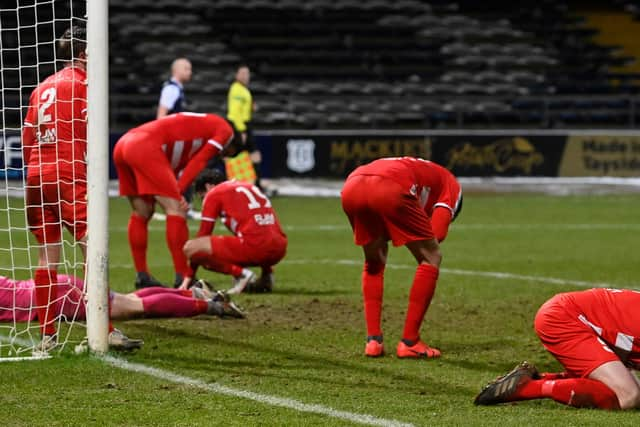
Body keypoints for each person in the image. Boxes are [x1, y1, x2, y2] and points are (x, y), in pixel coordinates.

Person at [21, 25, 141, 352]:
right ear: (85, 53)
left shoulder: (42, 86)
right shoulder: (86, 85)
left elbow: (27, 139)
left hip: (35, 176)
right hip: (67, 173)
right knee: (93, 247)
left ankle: (47, 337)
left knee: (48, 256)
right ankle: (105, 329)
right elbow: (91, 136)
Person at [340, 157, 462, 358]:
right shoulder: (452, 186)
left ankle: (373, 342)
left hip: (353, 184)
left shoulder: (424, 170)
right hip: (391, 186)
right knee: (431, 257)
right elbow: (436, 235)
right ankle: (410, 342)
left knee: (374, 261)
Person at [113, 112, 242, 289]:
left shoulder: (195, 135)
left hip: (124, 143)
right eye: (227, 152)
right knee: (177, 209)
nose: (221, 155)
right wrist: (178, 191)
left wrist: (176, 188)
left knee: (142, 212)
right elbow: (200, 161)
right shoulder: (225, 130)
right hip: (144, 146)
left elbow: (170, 167)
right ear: (232, 144)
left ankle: (142, 275)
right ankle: (183, 277)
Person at [474, 287, 640, 410]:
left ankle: (536, 379)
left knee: (626, 387)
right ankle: (528, 388)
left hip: (572, 314)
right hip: (564, 318)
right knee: (629, 395)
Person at [179, 169, 287, 293]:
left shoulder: (214, 193)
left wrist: (188, 277)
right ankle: (267, 277)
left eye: (203, 195)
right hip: (280, 247)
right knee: (252, 233)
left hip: (257, 248)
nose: (204, 199)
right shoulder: (248, 186)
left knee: (191, 247)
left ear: (209, 186)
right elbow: (262, 227)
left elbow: (202, 236)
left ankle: (242, 275)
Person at [0, 274, 244, 323]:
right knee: (128, 300)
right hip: (54, 287)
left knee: (136, 307)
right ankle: (192, 292)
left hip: (56, 297)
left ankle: (211, 306)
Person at [226, 64, 263, 189]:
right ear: (237, 75)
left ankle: (256, 183)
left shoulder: (243, 89)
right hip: (239, 125)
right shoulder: (236, 89)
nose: (245, 76)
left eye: (247, 73)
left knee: (254, 154)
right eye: (242, 73)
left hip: (245, 124)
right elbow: (235, 112)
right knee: (233, 154)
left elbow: (243, 106)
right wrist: (241, 130)